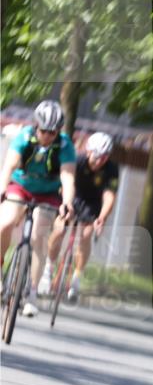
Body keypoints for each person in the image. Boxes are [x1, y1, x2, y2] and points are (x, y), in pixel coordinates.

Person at [0, 100, 76, 316]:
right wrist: (2, 189)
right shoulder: (24, 137)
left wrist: (68, 202)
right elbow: (9, 165)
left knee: (38, 237)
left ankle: (31, 291)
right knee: (4, 223)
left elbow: (68, 176)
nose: (47, 136)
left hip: (48, 193)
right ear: (36, 126)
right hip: (20, 186)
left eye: (53, 132)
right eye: (44, 131)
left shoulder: (64, 145)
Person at [39, 132, 119, 303]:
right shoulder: (78, 160)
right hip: (73, 196)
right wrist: (67, 205)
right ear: (89, 151)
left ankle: (76, 278)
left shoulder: (111, 169)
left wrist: (102, 218)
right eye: (97, 156)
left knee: (86, 235)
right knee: (60, 229)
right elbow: (67, 182)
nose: (100, 161)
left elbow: (109, 196)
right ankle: (48, 268)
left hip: (93, 203)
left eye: (105, 158)